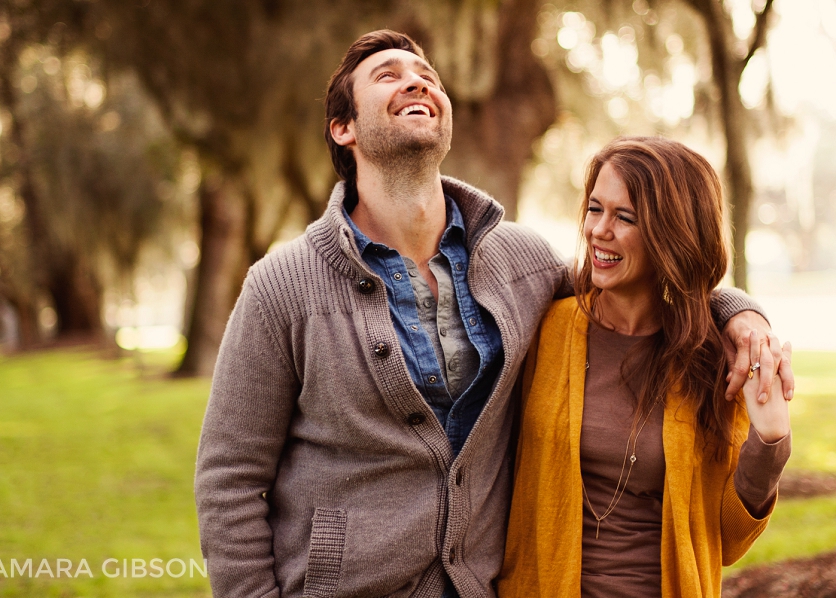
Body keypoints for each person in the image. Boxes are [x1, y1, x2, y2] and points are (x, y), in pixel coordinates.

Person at [194, 32, 789, 598]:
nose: (416, 82)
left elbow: (640, 283)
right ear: (344, 128)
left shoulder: (521, 263)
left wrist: (740, 314)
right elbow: (230, 481)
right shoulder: (283, 286)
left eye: (428, 76)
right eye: (388, 75)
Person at [498, 137, 792, 597]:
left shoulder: (714, 359)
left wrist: (770, 441)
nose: (599, 230)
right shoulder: (545, 327)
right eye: (595, 209)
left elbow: (728, 541)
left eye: (625, 217)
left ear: (672, 233)